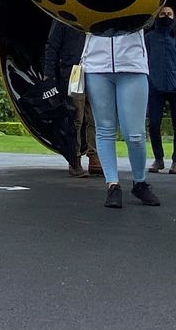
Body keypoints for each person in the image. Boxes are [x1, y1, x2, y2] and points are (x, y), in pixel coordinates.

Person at [81, 28, 159, 209]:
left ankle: (139, 182)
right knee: (104, 128)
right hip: (96, 64)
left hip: (132, 64)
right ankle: (112, 185)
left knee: (135, 133)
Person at [42, 18, 102, 178]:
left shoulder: (95, 16)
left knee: (94, 117)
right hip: (74, 71)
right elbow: (52, 46)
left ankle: (94, 156)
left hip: (95, 70)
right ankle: (74, 158)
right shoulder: (63, 18)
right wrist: (49, 75)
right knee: (76, 116)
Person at [145, 5, 176, 175]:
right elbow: (143, 59)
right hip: (155, 86)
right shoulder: (150, 37)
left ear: (174, 17)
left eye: (169, 14)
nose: (165, 16)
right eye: (162, 13)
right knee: (153, 124)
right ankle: (158, 159)